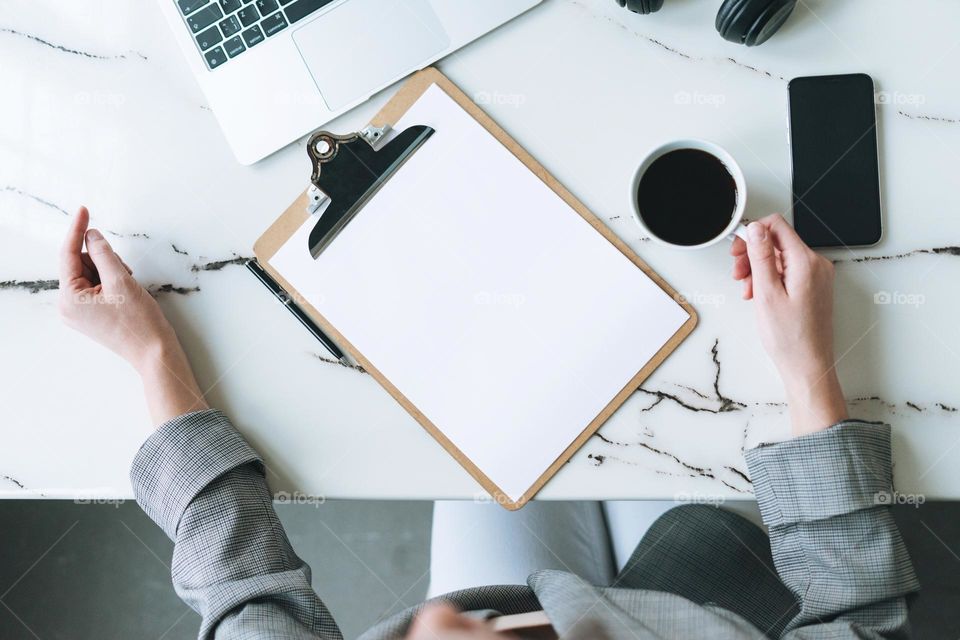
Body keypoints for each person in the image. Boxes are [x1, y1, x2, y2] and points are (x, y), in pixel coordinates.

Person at [59, 206, 918, 639]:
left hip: (559, 591)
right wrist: (809, 368)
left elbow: (238, 582)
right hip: (695, 604)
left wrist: (149, 358)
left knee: (498, 460)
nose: (430, 618)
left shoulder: (449, 617)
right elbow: (857, 613)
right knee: (694, 518)